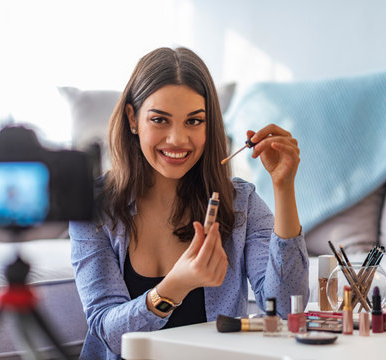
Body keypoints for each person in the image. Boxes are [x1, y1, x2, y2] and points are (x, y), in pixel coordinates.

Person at [69, 47, 309, 359]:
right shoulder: (95, 207)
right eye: (159, 120)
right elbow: (109, 334)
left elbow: (288, 310)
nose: (177, 139)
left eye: (194, 122)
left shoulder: (241, 202)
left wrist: (284, 187)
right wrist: (175, 287)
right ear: (132, 118)